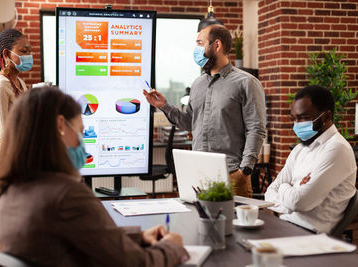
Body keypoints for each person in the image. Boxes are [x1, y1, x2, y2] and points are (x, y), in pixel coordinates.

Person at [0, 87, 189, 266]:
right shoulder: (66, 195)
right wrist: (172, 246)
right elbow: (136, 263)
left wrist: (139, 236)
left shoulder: (11, 190)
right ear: (61, 125)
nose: (82, 140)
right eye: (80, 131)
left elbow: (86, 238)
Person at [143, 25, 266, 197]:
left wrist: (244, 170)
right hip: (199, 174)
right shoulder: (197, 84)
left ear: (217, 45)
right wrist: (163, 105)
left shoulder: (246, 83)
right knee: (198, 222)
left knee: (233, 224)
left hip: (231, 174)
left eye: (200, 43)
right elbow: (189, 122)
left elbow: (257, 128)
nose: (196, 49)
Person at [265, 85, 357, 234]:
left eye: (304, 117)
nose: (297, 124)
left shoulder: (337, 149)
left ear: (326, 116)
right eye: (294, 119)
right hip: (285, 224)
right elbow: (269, 191)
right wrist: (293, 191)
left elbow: (298, 202)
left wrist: (284, 187)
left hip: (310, 235)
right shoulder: (300, 149)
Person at [0, 29, 32, 175]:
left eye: (29, 51)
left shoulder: (20, 83)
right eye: (23, 51)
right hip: (8, 161)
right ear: (6, 54)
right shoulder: (0, 86)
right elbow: (1, 136)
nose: (28, 56)